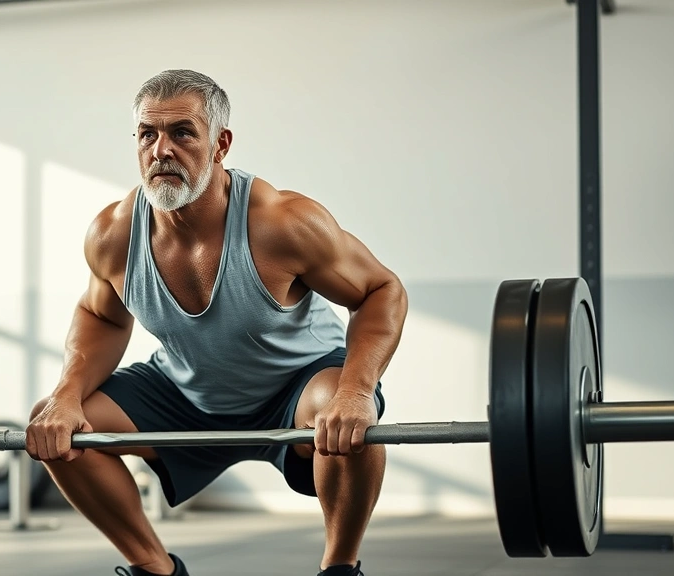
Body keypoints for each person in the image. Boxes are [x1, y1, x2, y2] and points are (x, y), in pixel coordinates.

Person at [25, 69, 408, 576]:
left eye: (182, 133)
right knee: (59, 426)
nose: (161, 150)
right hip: (187, 393)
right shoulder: (113, 234)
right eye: (147, 134)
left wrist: (357, 392)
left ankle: (339, 567)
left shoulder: (282, 223)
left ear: (220, 145)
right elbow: (100, 315)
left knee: (346, 410)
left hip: (296, 386)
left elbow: (382, 290)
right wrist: (66, 395)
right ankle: (155, 568)